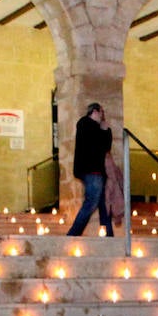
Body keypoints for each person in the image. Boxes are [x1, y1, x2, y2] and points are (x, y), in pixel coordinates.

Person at [66, 102, 114, 237]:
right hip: (92, 171)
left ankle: (109, 235)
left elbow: (106, 147)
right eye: (102, 112)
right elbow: (96, 144)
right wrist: (104, 130)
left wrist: (105, 131)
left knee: (104, 205)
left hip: (97, 172)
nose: (103, 116)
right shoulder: (85, 124)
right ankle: (72, 235)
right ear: (95, 111)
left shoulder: (96, 128)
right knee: (91, 204)